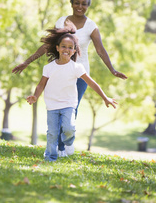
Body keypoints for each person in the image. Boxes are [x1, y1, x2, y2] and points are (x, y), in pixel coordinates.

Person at [12, 0, 127, 155]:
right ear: (71, 3)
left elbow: (100, 50)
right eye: (77, 3)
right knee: (58, 107)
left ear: (88, 6)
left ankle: (63, 146)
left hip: (79, 73)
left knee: (72, 108)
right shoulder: (62, 21)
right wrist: (27, 62)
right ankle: (58, 147)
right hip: (59, 71)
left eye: (84, 4)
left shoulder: (91, 26)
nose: (80, 6)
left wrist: (112, 70)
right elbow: (47, 45)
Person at [26, 23, 118, 162]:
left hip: (69, 104)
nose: (66, 49)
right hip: (52, 105)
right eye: (63, 46)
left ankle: (68, 141)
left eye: (70, 47)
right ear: (57, 48)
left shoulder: (77, 67)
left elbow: (91, 83)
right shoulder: (49, 67)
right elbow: (41, 85)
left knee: (69, 129)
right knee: (52, 133)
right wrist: (35, 96)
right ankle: (50, 157)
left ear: (74, 51)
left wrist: (105, 98)